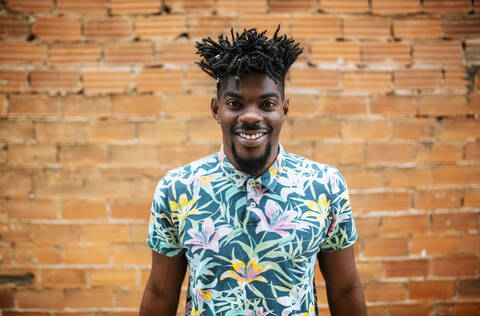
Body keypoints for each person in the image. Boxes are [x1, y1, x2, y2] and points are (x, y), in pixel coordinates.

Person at [139, 26, 367, 316]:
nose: (249, 116)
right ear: (216, 109)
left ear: (283, 111)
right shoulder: (178, 188)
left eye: (267, 104)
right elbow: (160, 292)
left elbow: (345, 289)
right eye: (234, 103)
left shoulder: (324, 185)